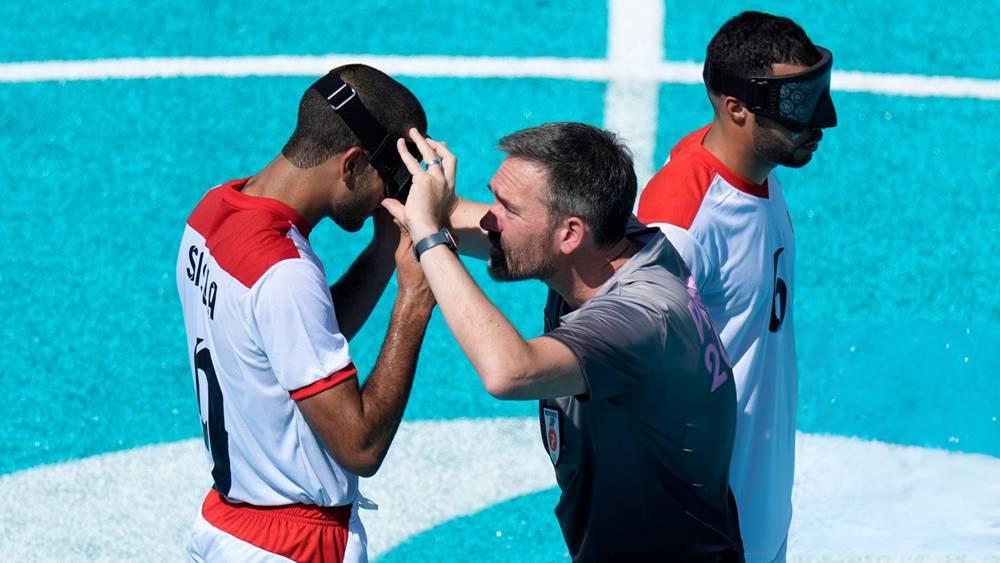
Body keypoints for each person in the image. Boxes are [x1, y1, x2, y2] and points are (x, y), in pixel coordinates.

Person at [383, 123, 744, 561]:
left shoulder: (641, 318)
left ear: (570, 234)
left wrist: (428, 235)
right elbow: (483, 227)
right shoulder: (605, 242)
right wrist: (424, 195)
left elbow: (509, 372)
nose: (489, 218)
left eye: (507, 208)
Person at [176, 64, 435, 563]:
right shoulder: (284, 272)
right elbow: (360, 447)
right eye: (393, 178)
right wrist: (415, 298)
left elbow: (294, 337)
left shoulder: (211, 214)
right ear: (352, 164)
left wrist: (384, 253)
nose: (392, 196)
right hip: (293, 547)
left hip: (226, 525)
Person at [636, 12, 838, 563]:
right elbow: (632, 380)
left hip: (759, 514)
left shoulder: (758, 175)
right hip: (708, 531)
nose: (821, 121)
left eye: (816, 92)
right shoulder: (682, 222)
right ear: (736, 108)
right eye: (797, 105)